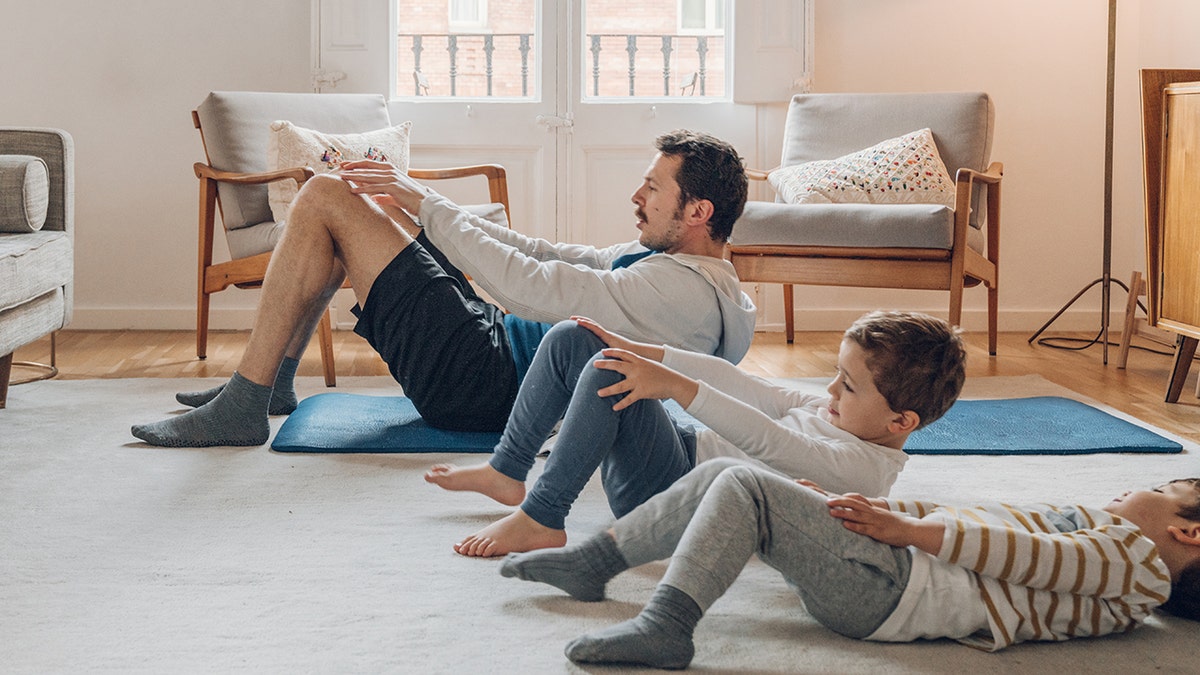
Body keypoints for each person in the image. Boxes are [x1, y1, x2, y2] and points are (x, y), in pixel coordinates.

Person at [131, 130, 755, 447]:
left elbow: (531, 289)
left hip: (483, 382)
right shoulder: (680, 268)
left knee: (327, 197)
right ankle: (271, 383)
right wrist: (423, 206)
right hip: (492, 352)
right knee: (365, 209)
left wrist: (424, 199)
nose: (636, 197)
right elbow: (549, 256)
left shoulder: (679, 294)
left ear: (697, 211)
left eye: (653, 189)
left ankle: (246, 401)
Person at [500, 460, 1200, 669]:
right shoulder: (1108, 543)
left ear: (1184, 530)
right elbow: (983, 525)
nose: (1126, 488)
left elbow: (1024, 555)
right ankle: (595, 561)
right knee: (728, 473)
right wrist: (845, 505)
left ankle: (668, 624)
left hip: (892, 589)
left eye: (1159, 486)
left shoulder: (1134, 566)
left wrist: (910, 530)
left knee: (743, 488)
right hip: (894, 569)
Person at [426, 310, 967, 557]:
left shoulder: (861, 472)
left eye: (847, 386)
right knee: (575, 338)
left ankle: (542, 518)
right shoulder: (837, 412)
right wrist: (640, 350)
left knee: (606, 373)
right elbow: (741, 383)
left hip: (676, 499)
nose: (828, 391)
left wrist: (676, 388)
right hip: (679, 460)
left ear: (902, 423)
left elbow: (768, 441)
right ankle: (506, 470)